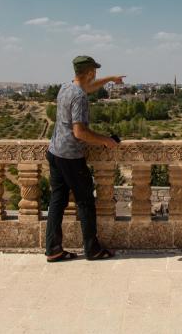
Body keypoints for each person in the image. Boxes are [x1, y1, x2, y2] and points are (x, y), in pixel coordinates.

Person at [44, 55, 123, 262]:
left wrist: (110, 78)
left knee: (57, 201)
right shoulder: (79, 96)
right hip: (70, 156)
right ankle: (92, 249)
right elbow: (79, 132)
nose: (95, 74)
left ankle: (53, 249)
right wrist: (105, 140)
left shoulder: (66, 88)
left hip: (55, 152)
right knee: (85, 201)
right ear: (89, 72)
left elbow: (88, 87)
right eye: (94, 71)